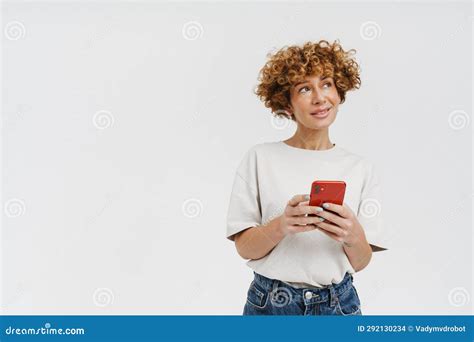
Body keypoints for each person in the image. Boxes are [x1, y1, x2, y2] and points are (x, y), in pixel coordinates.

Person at [226, 40, 388, 316]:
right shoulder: (260, 158)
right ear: (286, 104)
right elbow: (245, 248)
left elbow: (360, 261)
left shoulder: (360, 167)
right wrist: (282, 225)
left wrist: (352, 236)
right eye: (304, 88)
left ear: (339, 92)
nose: (319, 97)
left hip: (338, 304)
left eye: (327, 84)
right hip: (271, 304)